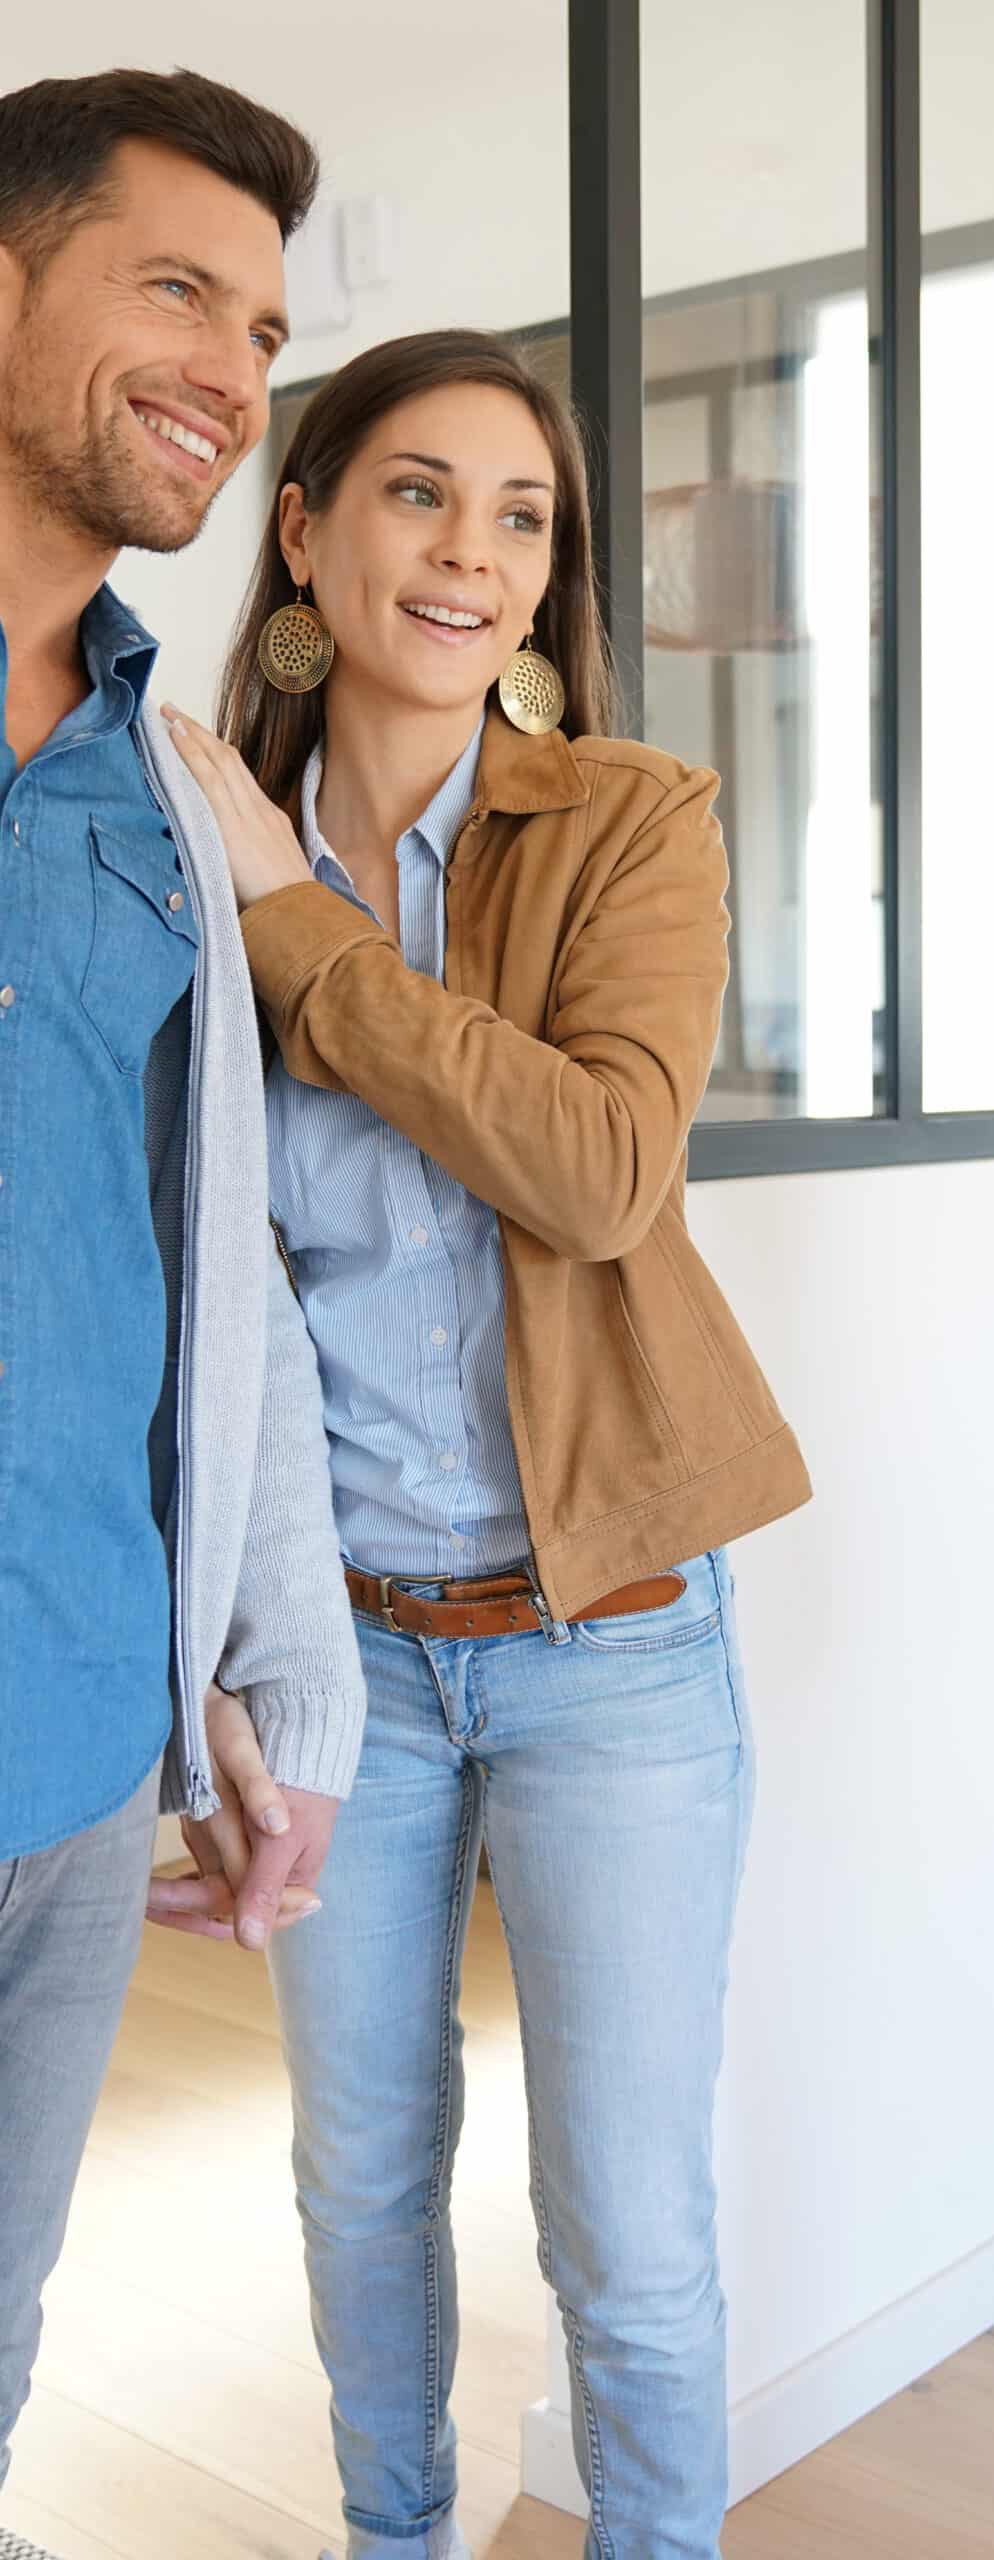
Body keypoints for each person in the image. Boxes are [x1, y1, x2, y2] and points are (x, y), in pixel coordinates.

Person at [153, 328, 811, 2560]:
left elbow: (604, 1165)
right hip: (333, 1645)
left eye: (520, 515)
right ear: (308, 528)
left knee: (625, 2228)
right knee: (355, 2177)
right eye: (420, 494)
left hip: (608, 1630)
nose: (473, 553)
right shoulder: (171, 845)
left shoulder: (628, 817)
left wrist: (299, 927)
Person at [0, 66, 367, 2499]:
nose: (232, 374)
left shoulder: (161, 777)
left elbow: (202, 1250)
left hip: (59, 1759)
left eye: (255, 323)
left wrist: (265, 1663)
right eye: (172, 289)